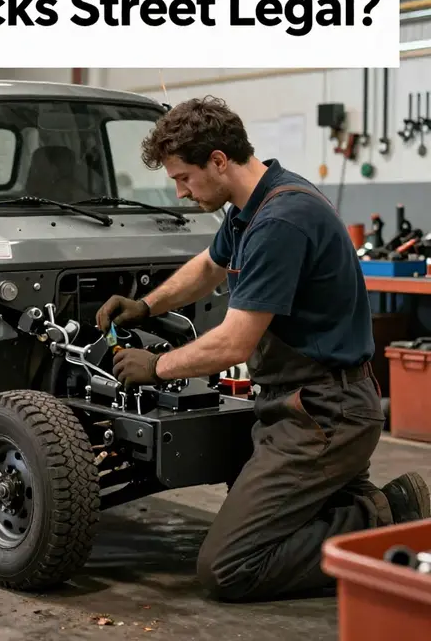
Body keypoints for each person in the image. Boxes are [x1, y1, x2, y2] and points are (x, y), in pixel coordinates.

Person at [96, 96, 430, 603]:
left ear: (218, 160)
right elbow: (209, 267)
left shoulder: (281, 221)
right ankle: (360, 506)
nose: (181, 191)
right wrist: (145, 306)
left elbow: (235, 341)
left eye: (184, 177)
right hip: (301, 404)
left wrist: (157, 366)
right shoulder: (253, 206)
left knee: (229, 567)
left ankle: (386, 516)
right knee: (263, 519)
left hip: (322, 415)